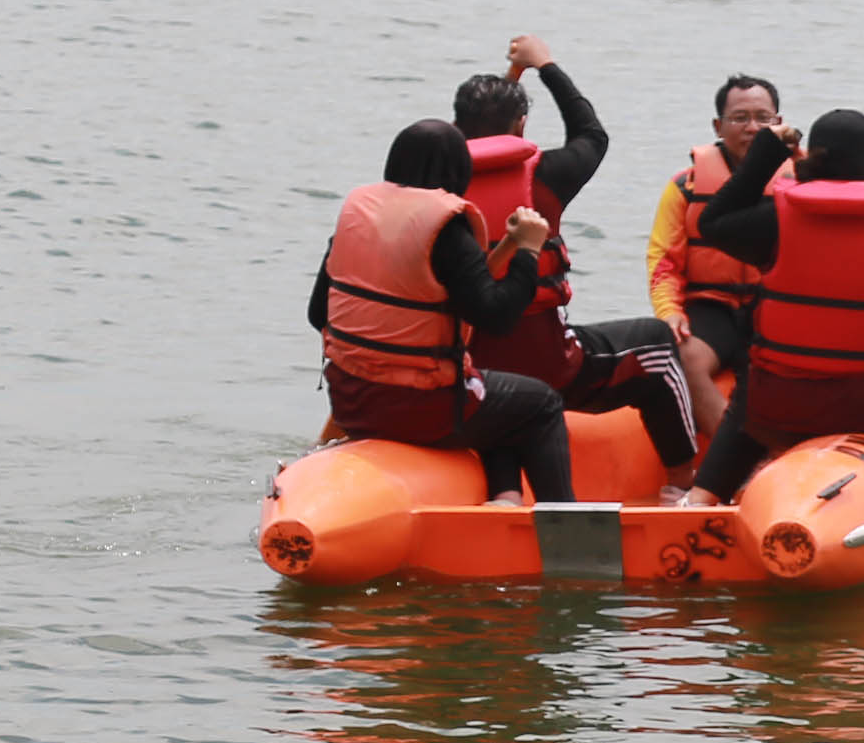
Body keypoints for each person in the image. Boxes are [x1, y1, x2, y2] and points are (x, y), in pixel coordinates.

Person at [666, 111, 864, 505]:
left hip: (779, 409)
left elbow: (713, 222)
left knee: (750, 396)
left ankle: (701, 497)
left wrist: (765, 152)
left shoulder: (774, 225)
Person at [453, 35, 696, 475]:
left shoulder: (436, 186)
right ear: (522, 126)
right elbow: (591, 134)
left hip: (469, 370)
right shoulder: (547, 178)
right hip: (552, 367)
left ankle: (501, 485)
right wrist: (544, 64)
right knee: (657, 342)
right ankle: (683, 483)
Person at [305, 119, 572, 505]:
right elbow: (496, 317)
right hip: (423, 410)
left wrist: (510, 245)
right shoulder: (446, 227)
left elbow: (318, 314)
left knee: (495, 390)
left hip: (350, 401)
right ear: (459, 172)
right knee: (540, 403)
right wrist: (530, 250)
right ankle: (567, 525)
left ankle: (506, 498)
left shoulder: (357, 215)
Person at [645, 73, 790, 441]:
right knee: (688, 358)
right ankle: (731, 461)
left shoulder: (800, 183)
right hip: (712, 306)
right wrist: (670, 313)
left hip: (772, 305)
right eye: (740, 118)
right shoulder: (686, 186)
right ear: (718, 126)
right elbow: (664, 262)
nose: (752, 127)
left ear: (779, 123)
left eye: (763, 118)